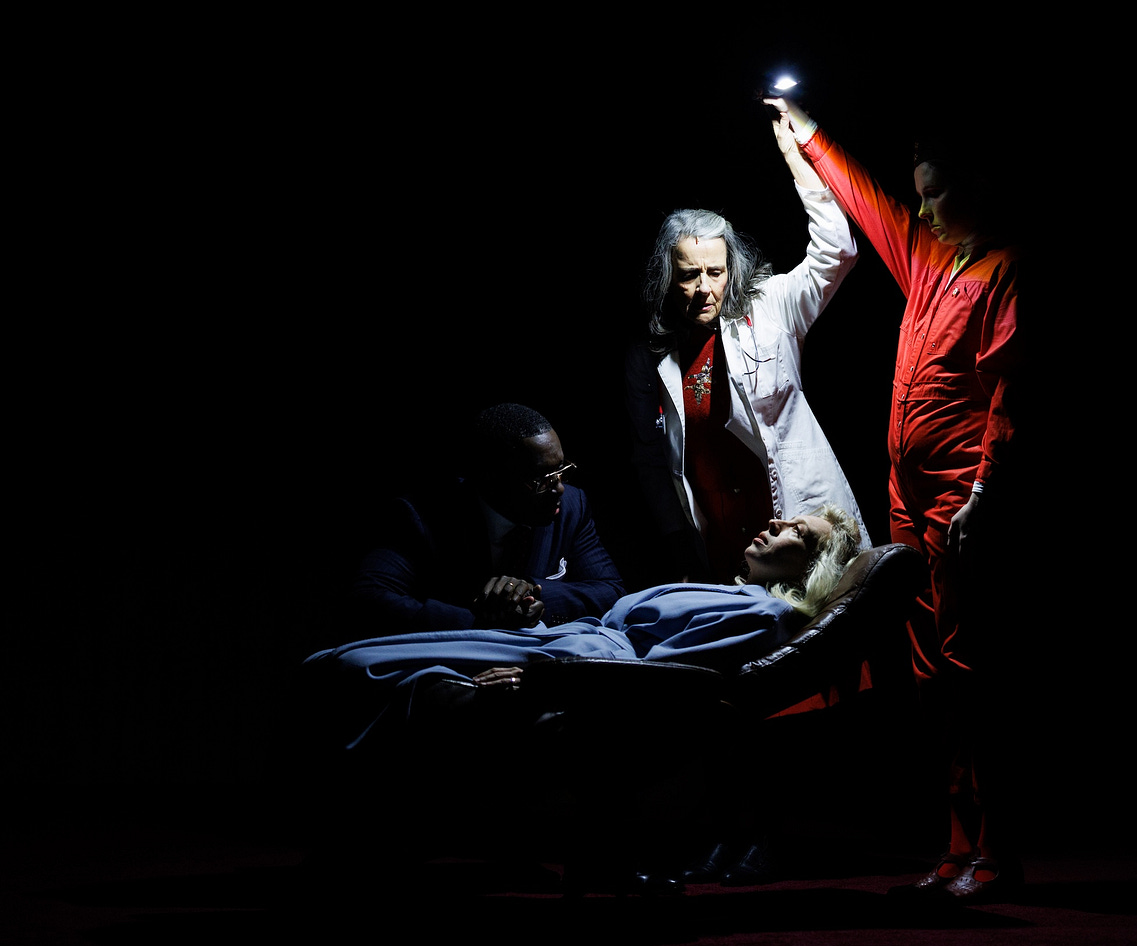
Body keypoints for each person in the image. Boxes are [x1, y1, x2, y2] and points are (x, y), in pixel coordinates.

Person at [764, 95, 1034, 903]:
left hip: (958, 498)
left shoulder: (1002, 269)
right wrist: (805, 132)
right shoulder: (929, 258)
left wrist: (984, 493)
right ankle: (956, 847)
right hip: (907, 497)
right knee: (926, 674)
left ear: (978, 186)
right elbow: (872, 202)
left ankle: (995, 848)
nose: (921, 207)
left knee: (965, 667)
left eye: (936, 191)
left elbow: (1010, 393)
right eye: (919, 192)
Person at [304, 506, 862, 895]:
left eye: (799, 533)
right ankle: (359, 830)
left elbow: (664, 677)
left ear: (812, 566)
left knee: (361, 667)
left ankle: (349, 830)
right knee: (369, 663)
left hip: (578, 664)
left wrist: (547, 680)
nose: (776, 524)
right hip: (568, 643)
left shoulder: (769, 615)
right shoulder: (737, 592)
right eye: (787, 517)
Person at [625, 105, 870, 586]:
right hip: (722, 543)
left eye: (715, 273)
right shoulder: (654, 354)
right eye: (689, 275)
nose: (705, 288)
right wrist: (680, 537)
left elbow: (838, 251)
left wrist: (798, 162)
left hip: (790, 522)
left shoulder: (773, 306)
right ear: (668, 277)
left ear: (731, 269)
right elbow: (655, 458)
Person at [343, 402, 626, 640]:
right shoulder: (421, 516)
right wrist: (480, 620)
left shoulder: (572, 507)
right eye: (542, 479)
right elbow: (368, 600)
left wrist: (528, 594)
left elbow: (611, 591)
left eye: (561, 471)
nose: (560, 488)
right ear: (490, 478)